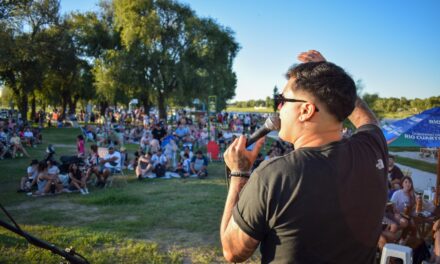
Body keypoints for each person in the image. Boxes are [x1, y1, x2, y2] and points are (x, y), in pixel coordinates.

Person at [220, 50, 388, 263]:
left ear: (306, 111)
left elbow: (233, 251)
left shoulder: (275, 176)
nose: (278, 108)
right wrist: (332, 82)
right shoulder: (372, 149)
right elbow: (368, 120)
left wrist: (239, 173)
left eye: (281, 100)